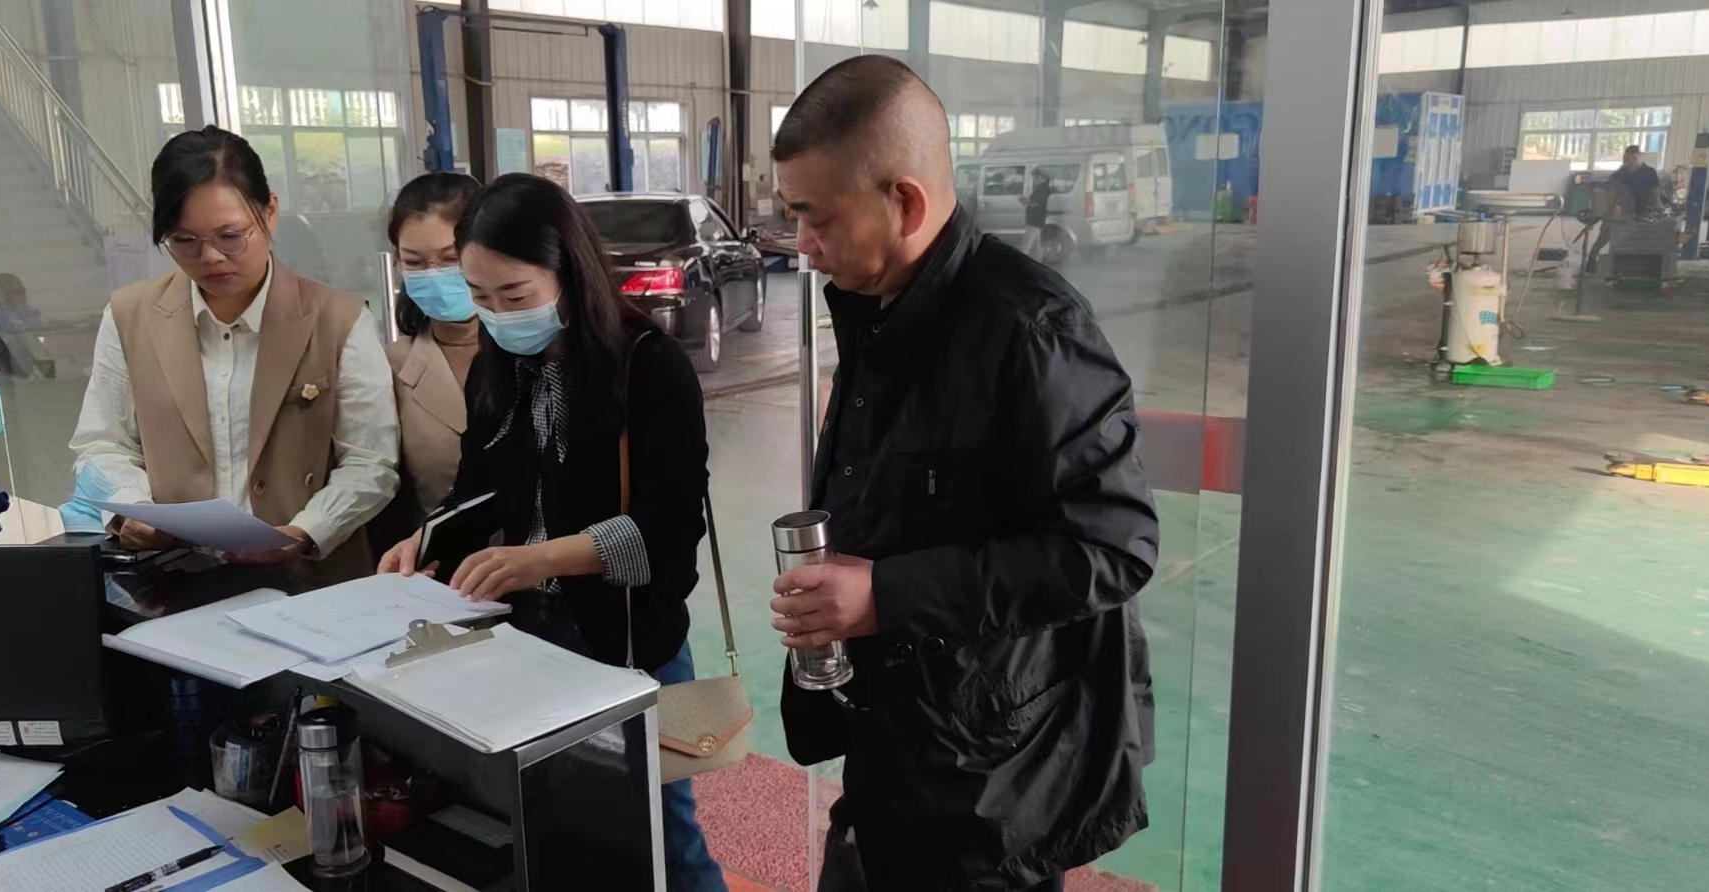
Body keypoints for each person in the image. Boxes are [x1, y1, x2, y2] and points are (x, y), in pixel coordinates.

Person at [768, 55, 1160, 891]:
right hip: (899, 748)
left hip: (990, 789)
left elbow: (1113, 547)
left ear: (906, 203)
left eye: (814, 217)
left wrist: (885, 594)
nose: (802, 245)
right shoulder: (881, 312)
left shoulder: (1032, 331)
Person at [375, 173, 726, 892]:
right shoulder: (499, 367)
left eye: (515, 296)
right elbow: (480, 486)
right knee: (562, 833)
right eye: (481, 298)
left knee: (666, 836)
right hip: (527, 639)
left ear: (569, 272)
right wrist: (428, 540)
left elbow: (667, 531)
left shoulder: (647, 366)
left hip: (624, 642)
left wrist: (544, 559)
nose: (497, 316)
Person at [70, 126, 400, 582]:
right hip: (173, 579)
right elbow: (102, 443)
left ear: (270, 212)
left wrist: (306, 531)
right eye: (184, 240)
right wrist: (133, 507)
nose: (210, 258)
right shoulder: (130, 316)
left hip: (310, 584)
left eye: (230, 236)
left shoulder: (339, 319)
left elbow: (370, 461)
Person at [383, 171, 484, 518]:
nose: (435, 274)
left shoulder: (535, 351)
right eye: (415, 262)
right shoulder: (390, 367)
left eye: (451, 258)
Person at [1587, 145, 1663, 273]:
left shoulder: (1649, 173)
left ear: (1639, 156)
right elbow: (1611, 192)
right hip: (1618, 212)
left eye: (1633, 158)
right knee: (1605, 237)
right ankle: (1591, 261)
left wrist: (1658, 208)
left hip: (1641, 212)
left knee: (1633, 241)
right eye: (1627, 159)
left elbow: (1655, 192)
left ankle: (1631, 267)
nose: (1629, 162)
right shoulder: (1619, 174)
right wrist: (1614, 207)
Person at [1018, 167, 1054, 261]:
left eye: (1035, 177)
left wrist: (1025, 201)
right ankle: (1038, 263)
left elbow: (1036, 203)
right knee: (1036, 246)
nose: (1034, 180)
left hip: (1034, 220)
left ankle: (1019, 263)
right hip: (1037, 220)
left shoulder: (1042, 189)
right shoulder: (1042, 188)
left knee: (1027, 244)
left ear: (1042, 177)